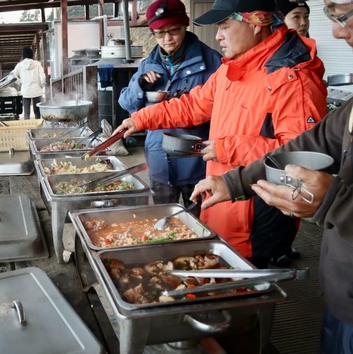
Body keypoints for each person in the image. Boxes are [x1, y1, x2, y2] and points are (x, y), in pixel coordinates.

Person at [191, 0, 353, 354]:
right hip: (343, 289)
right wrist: (233, 182)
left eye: (343, 14)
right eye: (330, 16)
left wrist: (334, 202)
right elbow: (313, 143)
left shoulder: (292, 75)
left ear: (259, 20)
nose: (335, 31)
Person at [116, 0, 327, 267]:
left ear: (257, 22)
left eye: (224, 26)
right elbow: (194, 104)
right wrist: (141, 118)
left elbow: (301, 159)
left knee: (248, 295)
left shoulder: (292, 78)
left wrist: (227, 149)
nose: (218, 36)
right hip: (221, 203)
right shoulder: (232, 68)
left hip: (255, 219)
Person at [118, 0, 222, 206]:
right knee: (163, 224)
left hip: (197, 163)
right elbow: (126, 103)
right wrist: (140, 85)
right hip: (159, 161)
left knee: (200, 226)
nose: (167, 39)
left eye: (174, 30)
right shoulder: (148, 64)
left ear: (186, 25)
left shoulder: (213, 62)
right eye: (159, 33)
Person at [13, 46, 46, 120]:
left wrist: (20, 82)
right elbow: (43, 78)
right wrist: (41, 86)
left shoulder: (20, 65)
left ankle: (27, 129)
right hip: (36, 90)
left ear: (23, 55)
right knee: (37, 112)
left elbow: (12, 76)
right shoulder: (37, 64)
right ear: (32, 54)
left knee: (27, 112)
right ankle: (38, 129)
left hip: (25, 91)